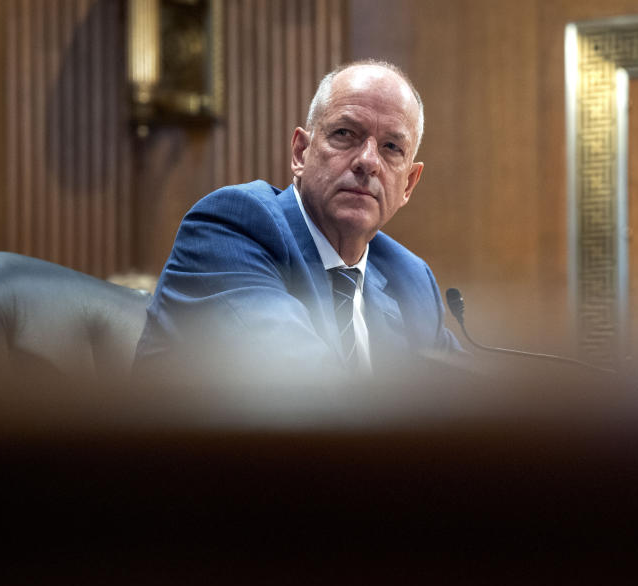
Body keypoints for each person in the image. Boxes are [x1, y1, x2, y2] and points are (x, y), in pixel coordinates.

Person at [133, 60, 461, 384]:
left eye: (391, 147)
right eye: (345, 133)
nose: (368, 161)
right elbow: (309, 391)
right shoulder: (231, 227)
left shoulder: (410, 279)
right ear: (301, 152)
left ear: (408, 183)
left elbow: (464, 400)